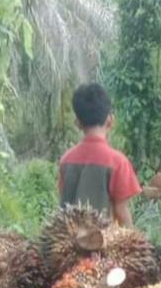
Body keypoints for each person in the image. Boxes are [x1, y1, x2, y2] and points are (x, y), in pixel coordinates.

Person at [59, 83, 141, 226]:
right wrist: (135, 236)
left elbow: (63, 198)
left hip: (66, 237)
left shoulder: (66, 160)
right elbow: (121, 210)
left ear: (78, 123)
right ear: (110, 121)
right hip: (102, 239)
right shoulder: (118, 163)